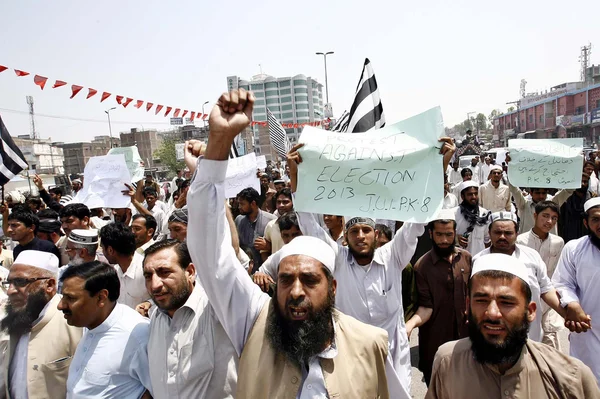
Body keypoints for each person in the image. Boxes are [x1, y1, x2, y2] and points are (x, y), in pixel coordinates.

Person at [186, 89, 404, 398]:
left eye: (310, 280)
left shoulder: (370, 343)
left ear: (333, 287)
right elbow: (211, 255)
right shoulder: (254, 322)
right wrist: (219, 143)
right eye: (285, 279)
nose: (296, 291)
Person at [286, 135, 456, 393]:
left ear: (376, 234)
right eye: (355, 232)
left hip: (393, 357)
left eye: (366, 230)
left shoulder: (393, 256)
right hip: (351, 356)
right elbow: (310, 225)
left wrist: (440, 166)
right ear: (346, 236)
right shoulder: (337, 261)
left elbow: (415, 223)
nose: (361, 236)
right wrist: (296, 176)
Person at [426, 254, 600, 399]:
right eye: (481, 301)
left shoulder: (570, 377)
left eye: (506, 302)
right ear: (467, 305)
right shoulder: (448, 362)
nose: (492, 313)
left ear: (530, 311)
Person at [143, 240, 238, 398]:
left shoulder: (217, 309)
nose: (155, 285)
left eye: (164, 272)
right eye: (148, 276)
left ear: (190, 272)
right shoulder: (156, 317)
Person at [473, 211, 572, 343]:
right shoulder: (479, 260)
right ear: (489, 233)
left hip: (530, 333)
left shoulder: (532, 256)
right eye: (497, 233)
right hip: (492, 332)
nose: (502, 237)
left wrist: (568, 314)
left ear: (516, 234)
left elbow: (546, 289)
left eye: (508, 233)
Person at [58, 261, 152, 398]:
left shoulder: (136, 335)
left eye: (70, 298)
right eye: (63, 297)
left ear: (101, 297)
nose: (60, 306)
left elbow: (159, 391)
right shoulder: (90, 325)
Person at [1, 251, 82, 398]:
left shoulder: (74, 323)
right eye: (9, 283)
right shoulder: (15, 318)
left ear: (50, 285)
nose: (10, 291)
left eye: (20, 282)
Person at [405, 209, 471, 385]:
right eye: (439, 234)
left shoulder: (466, 259)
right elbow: (426, 307)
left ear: (455, 233)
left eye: (449, 235)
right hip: (435, 343)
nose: (444, 240)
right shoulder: (422, 266)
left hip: (466, 341)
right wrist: (410, 325)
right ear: (430, 234)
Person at [552, 197, 600, 383]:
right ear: (586, 223)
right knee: (588, 383)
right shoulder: (574, 248)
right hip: (587, 330)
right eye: (596, 219)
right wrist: (571, 303)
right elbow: (563, 282)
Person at [516, 201, 565, 349]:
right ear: (535, 216)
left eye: (554, 218)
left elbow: (557, 272)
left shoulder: (558, 242)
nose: (549, 221)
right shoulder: (520, 241)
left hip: (548, 298)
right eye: (545, 216)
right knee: (527, 339)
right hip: (527, 297)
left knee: (551, 341)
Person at [505, 153, 573, 235]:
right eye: (537, 193)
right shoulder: (524, 204)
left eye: (543, 193)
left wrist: (577, 166)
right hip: (527, 243)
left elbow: (569, 190)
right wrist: (511, 166)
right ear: (531, 193)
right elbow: (514, 189)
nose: (541, 196)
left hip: (548, 243)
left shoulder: (553, 202)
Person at [99, 223, 149, 309]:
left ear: (110, 250)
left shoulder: (145, 270)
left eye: (102, 248)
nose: (102, 252)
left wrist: (148, 304)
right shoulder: (116, 271)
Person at [235, 187, 276, 272]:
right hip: (244, 271)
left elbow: (280, 246)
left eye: (242, 204)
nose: (239, 207)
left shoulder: (271, 220)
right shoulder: (238, 220)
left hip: (265, 273)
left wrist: (268, 246)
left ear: (253, 204)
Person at [452, 181, 490, 255]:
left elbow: (487, 240)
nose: (474, 197)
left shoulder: (484, 214)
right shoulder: (454, 213)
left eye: (475, 194)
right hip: (459, 258)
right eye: (470, 194)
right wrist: (456, 238)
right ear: (462, 196)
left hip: (479, 259)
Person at [255, 188, 294, 259]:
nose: (281, 205)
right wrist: (269, 267)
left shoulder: (302, 225)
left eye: (285, 202)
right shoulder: (271, 225)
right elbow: (264, 250)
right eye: (278, 202)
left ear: (293, 203)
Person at [559, 172, 595, 242]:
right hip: (569, 235)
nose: (583, 184)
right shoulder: (566, 199)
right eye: (580, 181)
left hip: (587, 237)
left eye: (585, 181)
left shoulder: (593, 199)